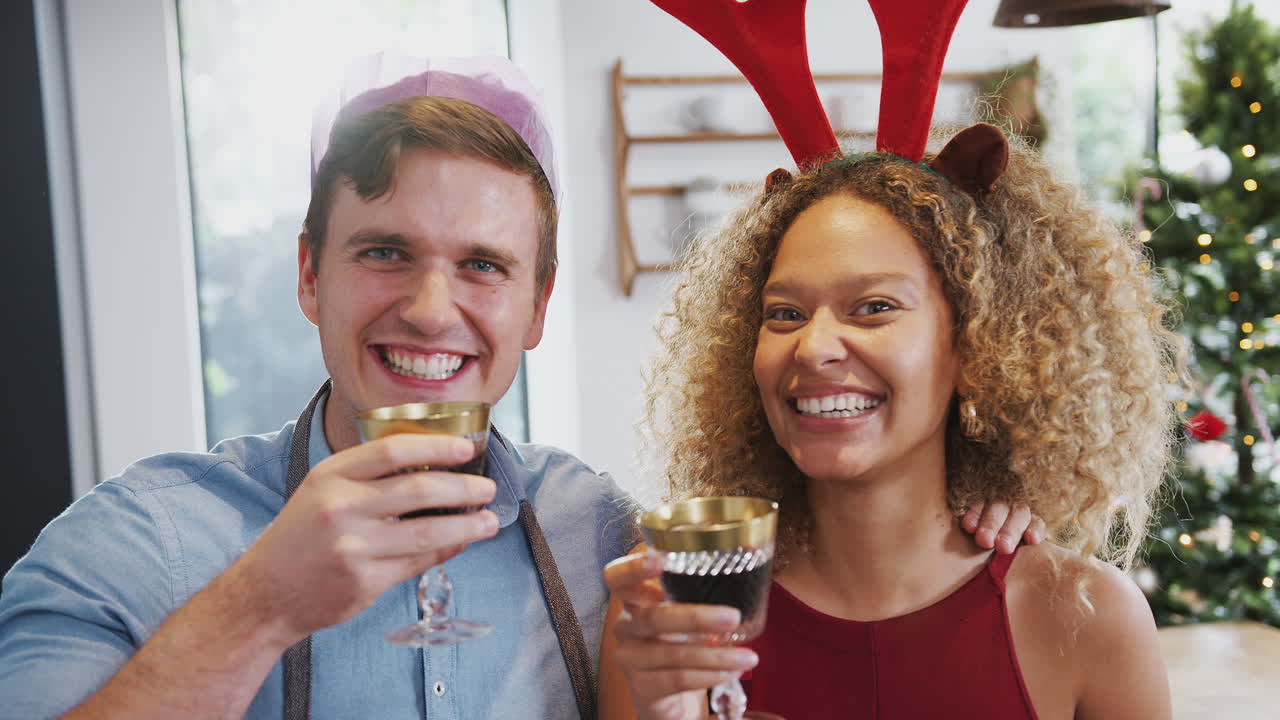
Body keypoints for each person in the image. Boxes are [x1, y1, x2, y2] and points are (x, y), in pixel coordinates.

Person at [0, 53, 1038, 720]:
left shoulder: (604, 537)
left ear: (536, 310)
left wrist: (976, 495)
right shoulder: (138, 545)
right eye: (385, 253)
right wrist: (259, 608)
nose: (431, 308)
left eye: (484, 266)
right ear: (309, 272)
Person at [600, 124, 1180, 717]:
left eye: (875, 307)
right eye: (785, 313)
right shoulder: (670, 618)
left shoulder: (1089, 618)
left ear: (977, 346)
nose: (813, 346)